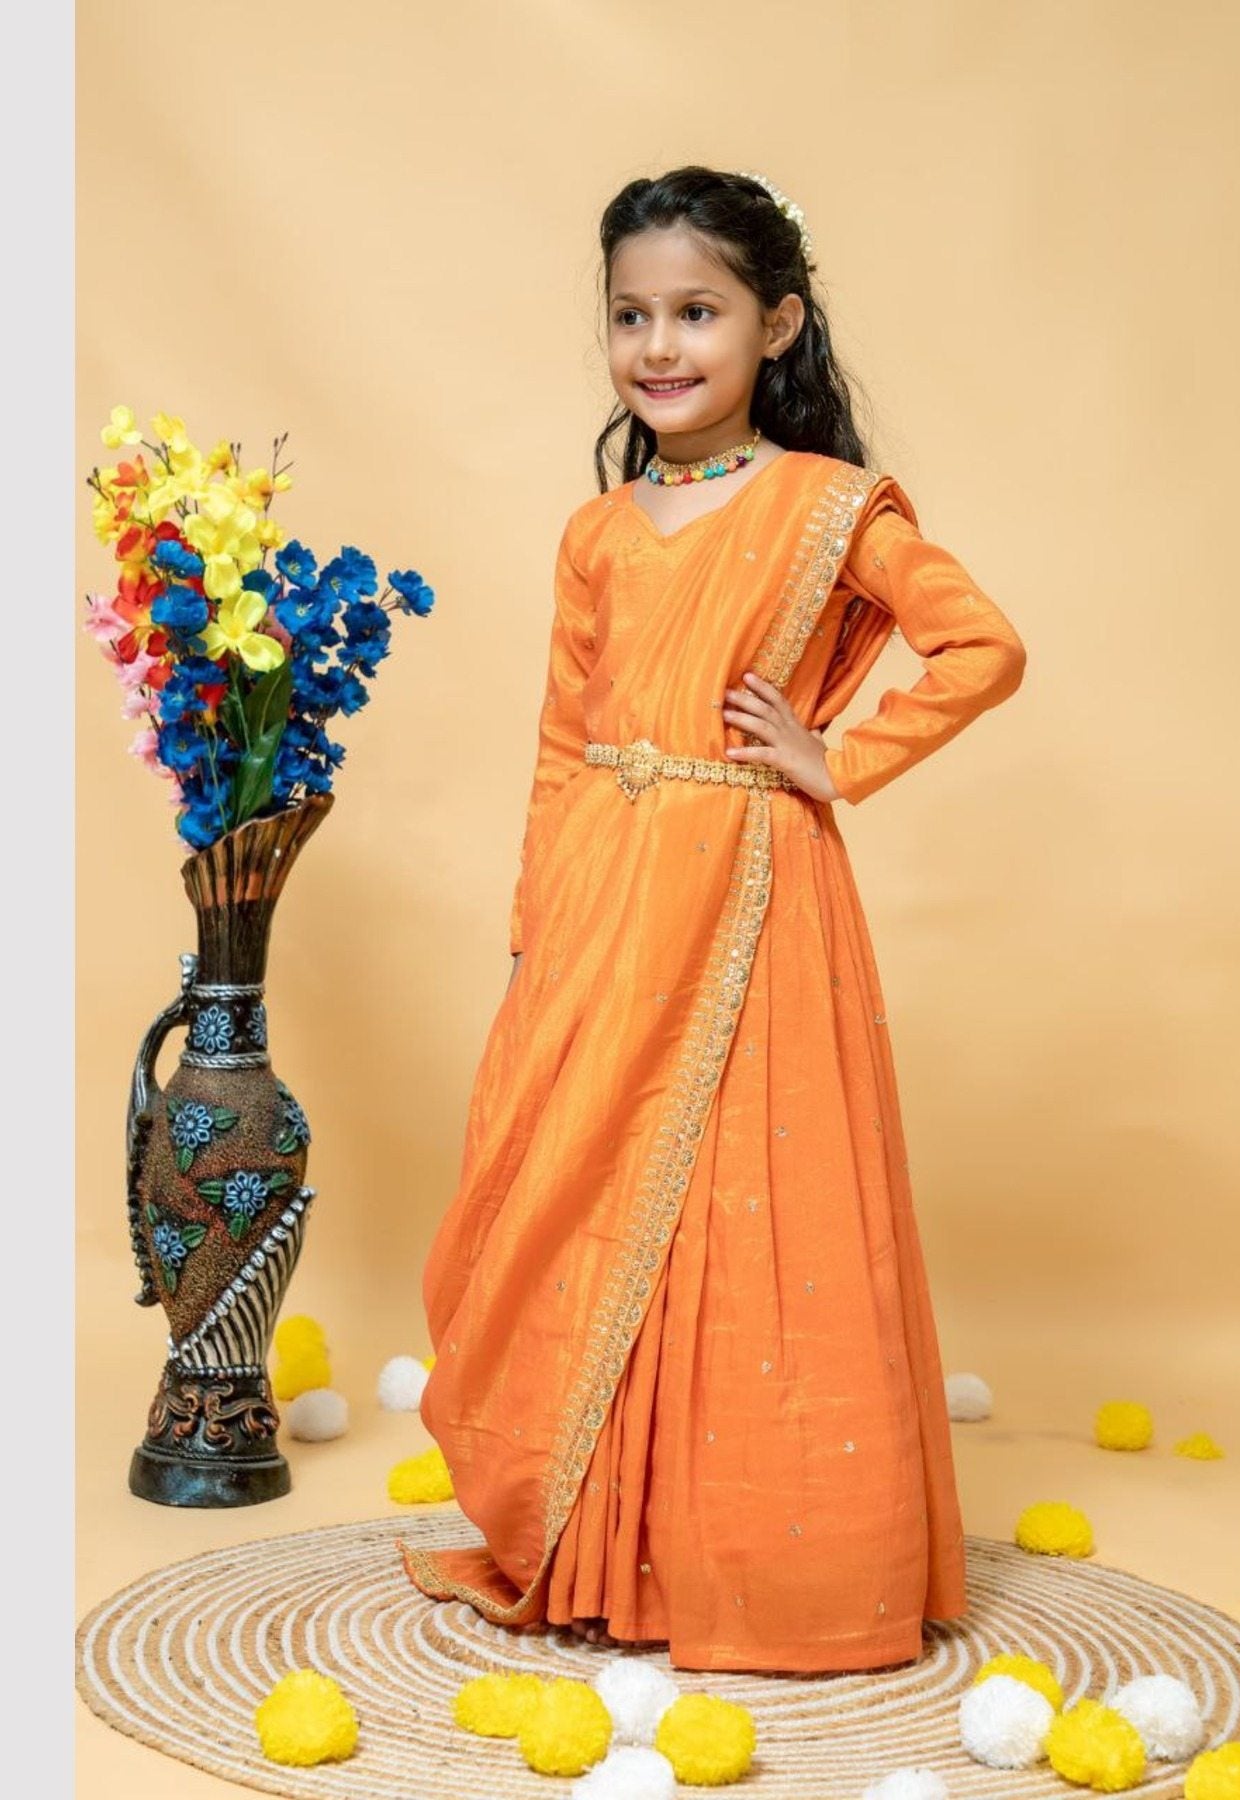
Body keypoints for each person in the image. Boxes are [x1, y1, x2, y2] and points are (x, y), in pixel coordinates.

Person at [399, 165, 1027, 1675]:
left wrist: (837, 759)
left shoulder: (825, 508)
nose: (660, 347)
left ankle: (750, 1555)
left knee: (744, 1197)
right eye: (632, 315)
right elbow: (562, 740)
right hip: (607, 893)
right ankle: (589, 1530)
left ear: (777, 325)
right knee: (573, 1184)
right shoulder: (599, 531)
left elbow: (977, 645)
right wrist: (535, 920)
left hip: (752, 890)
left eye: (698, 312)